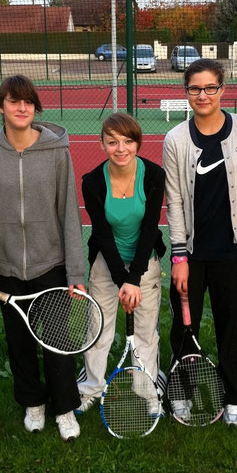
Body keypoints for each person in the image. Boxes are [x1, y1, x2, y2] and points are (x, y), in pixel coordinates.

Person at [0, 75, 85, 441]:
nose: (21, 108)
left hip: (50, 264)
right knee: (18, 342)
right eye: (13, 101)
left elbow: (69, 213)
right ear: (1, 106)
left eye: (28, 102)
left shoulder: (56, 151)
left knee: (56, 343)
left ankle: (65, 408)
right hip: (6, 268)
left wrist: (74, 270)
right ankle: (33, 403)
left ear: (36, 107)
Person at [163, 59, 237, 426]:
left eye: (210, 88)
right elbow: (173, 200)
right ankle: (183, 394)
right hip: (191, 258)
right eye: (194, 88)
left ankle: (234, 398)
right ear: (186, 91)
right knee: (184, 327)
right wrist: (179, 257)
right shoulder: (175, 139)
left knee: (231, 329)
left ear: (223, 89)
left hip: (234, 255)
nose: (202, 95)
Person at [76, 113, 166, 415]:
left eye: (128, 141)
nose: (121, 148)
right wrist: (120, 277)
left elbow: (150, 229)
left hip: (144, 263)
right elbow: (101, 234)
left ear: (137, 143)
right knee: (98, 330)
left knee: (145, 332)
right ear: (102, 144)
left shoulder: (154, 175)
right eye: (112, 141)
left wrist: (135, 277)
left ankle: (147, 390)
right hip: (107, 263)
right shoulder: (92, 182)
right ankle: (90, 388)